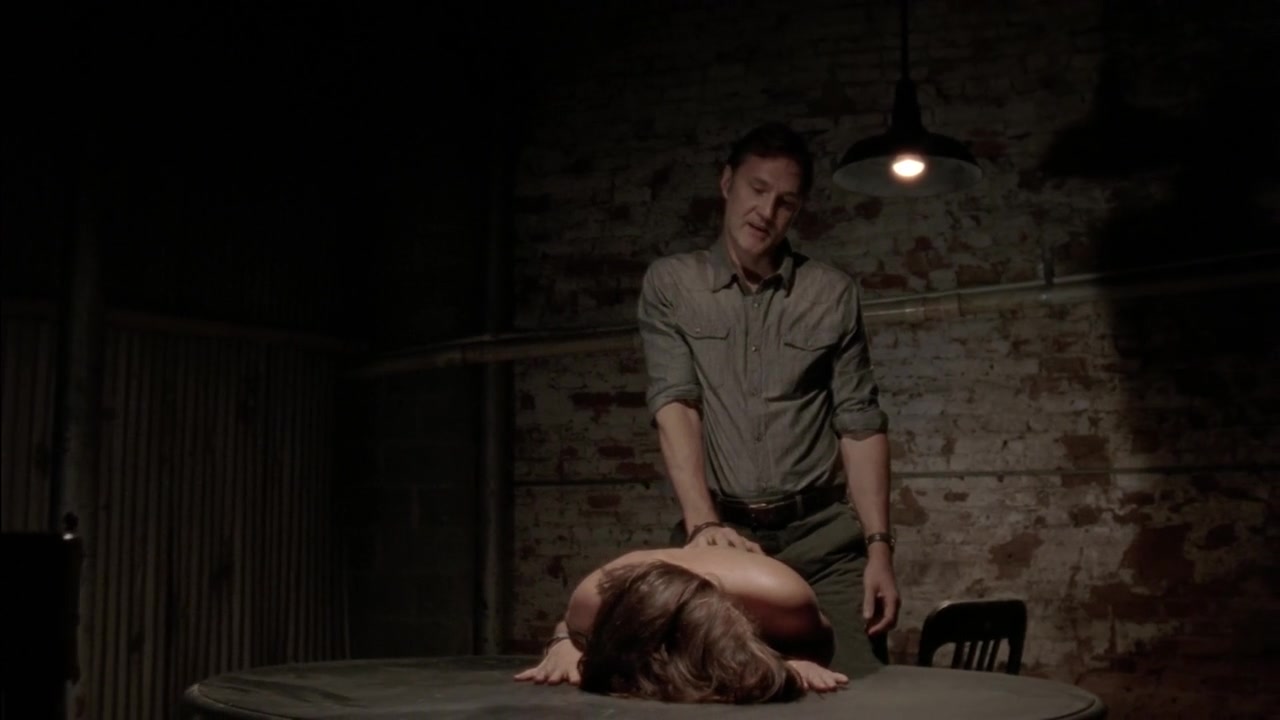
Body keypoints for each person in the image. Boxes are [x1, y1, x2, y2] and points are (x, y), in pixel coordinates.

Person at [633, 122, 900, 678]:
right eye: (757, 189)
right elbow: (675, 403)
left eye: (786, 202)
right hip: (726, 538)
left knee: (863, 692)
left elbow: (859, 423)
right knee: (707, 688)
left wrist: (880, 549)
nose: (767, 212)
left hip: (824, 541)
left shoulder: (831, 293)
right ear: (727, 182)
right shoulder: (673, 284)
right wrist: (701, 526)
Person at [514, 546, 849, 703]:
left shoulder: (780, 596)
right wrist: (564, 642)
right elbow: (567, 625)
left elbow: (820, 639)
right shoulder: (595, 597)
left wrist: (795, 661)